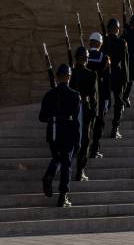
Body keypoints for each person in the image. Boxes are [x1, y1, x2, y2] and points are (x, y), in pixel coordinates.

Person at [39, 63, 82, 207]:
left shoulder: (49, 94)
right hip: (67, 131)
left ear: (57, 78)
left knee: (57, 157)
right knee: (66, 164)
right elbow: (77, 121)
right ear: (69, 77)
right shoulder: (75, 95)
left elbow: (42, 117)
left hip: (53, 131)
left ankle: (49, 175)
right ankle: (63, 196)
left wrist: (53, 116)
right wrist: (78, 140)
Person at [68, 46, 98, 182]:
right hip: (84, 110)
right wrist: (94, 114)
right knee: (85, 141)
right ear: (86, 59)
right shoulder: (92, 74)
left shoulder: (70, 74)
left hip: (70, 110)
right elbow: (93, 97)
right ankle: (80, 170)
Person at [102, 18, 130, 138]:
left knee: (103, 101)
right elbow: (125, 63)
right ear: (116, 29)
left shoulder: (102, 42)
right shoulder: (121, 42)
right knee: (118, 103)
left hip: (104, 76)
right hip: (117, 75)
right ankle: (115, 128)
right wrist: (126, 80)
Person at [85, 32, 111, 158]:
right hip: (99, 96)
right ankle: (94, 149)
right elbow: (107, 81)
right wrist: (106, 99)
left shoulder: (82, 56)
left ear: (90, 43)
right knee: (98, 123)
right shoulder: (105, 58)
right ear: (100, 44)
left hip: (84, 96)